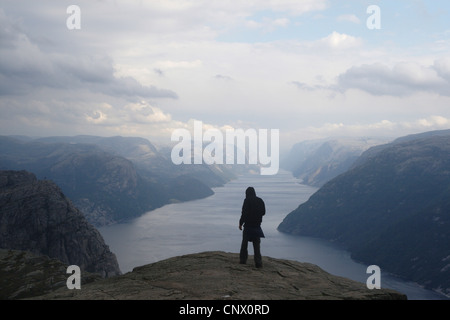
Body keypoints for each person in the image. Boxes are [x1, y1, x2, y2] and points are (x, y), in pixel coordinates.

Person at [239, 186, 265, 268]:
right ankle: (258, 263)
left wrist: (240, 223)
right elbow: (263, 212)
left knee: (244, 244)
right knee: (256, 246)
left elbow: (244, 213)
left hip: (248, 226)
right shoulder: (260, 200)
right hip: (257, 226)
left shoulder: (247, 200)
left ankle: (243, 260)